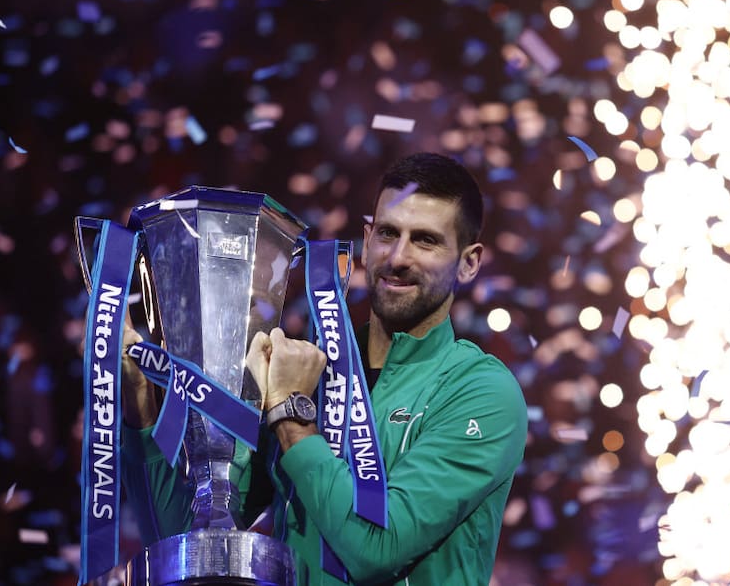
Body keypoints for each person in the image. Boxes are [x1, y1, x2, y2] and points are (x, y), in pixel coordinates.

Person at [118, 152, 529, 584]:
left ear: (469, 262)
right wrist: (139, 401)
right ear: (366, 240)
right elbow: (188, 545)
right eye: (388, 233)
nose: (399, 257)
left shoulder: (481, 392)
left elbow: (377, 549)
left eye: (426, 240)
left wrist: (290, 416)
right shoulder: (308, 373)